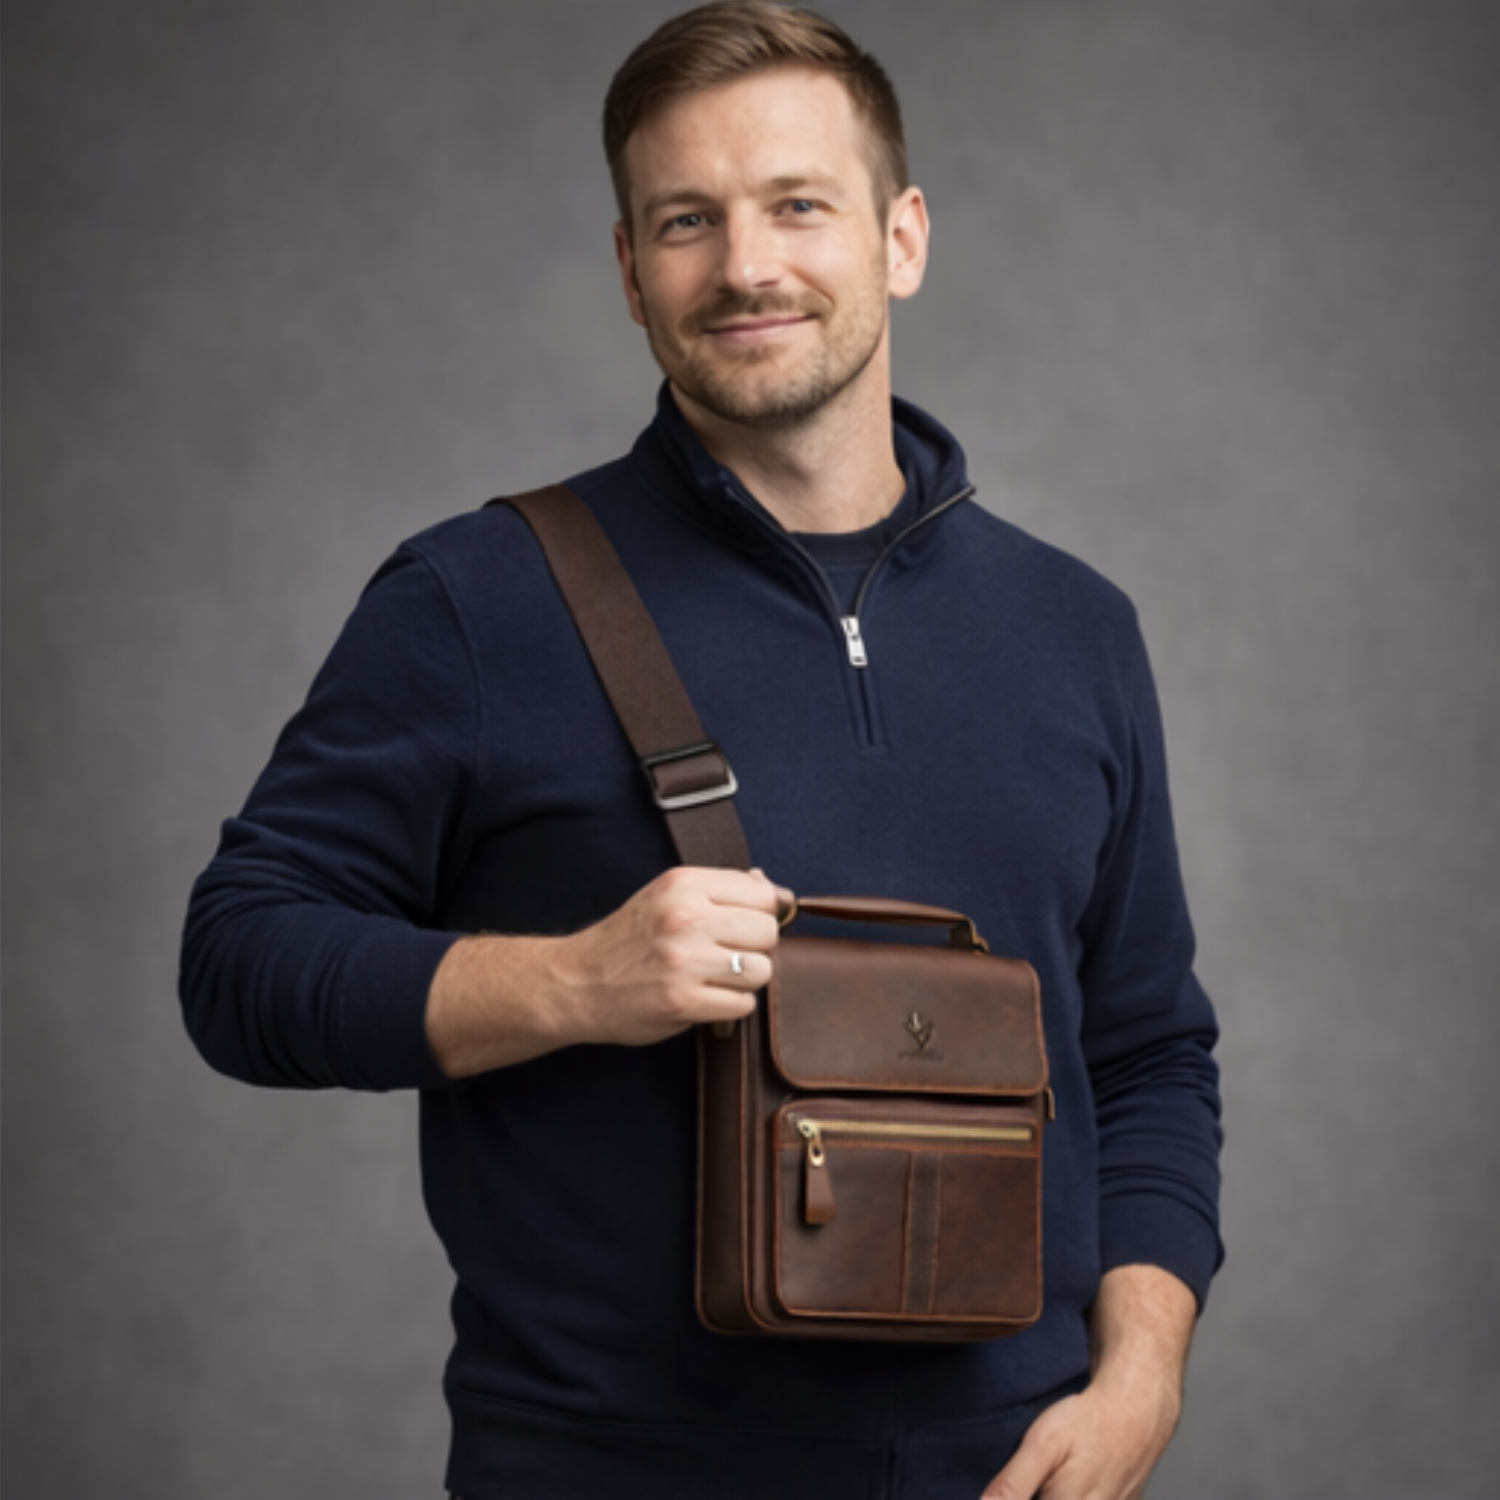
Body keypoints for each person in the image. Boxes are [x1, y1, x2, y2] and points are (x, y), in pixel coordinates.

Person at [180, 4, 1223, 1496]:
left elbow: (1147, 1050)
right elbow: (237, 961)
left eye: (798, 205)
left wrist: (1140, 1377)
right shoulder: (477, 599)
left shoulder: (1076, 627)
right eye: (687, 221)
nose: (745, 266)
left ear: (902, 239)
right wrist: (570, 981)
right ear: (630, 271)